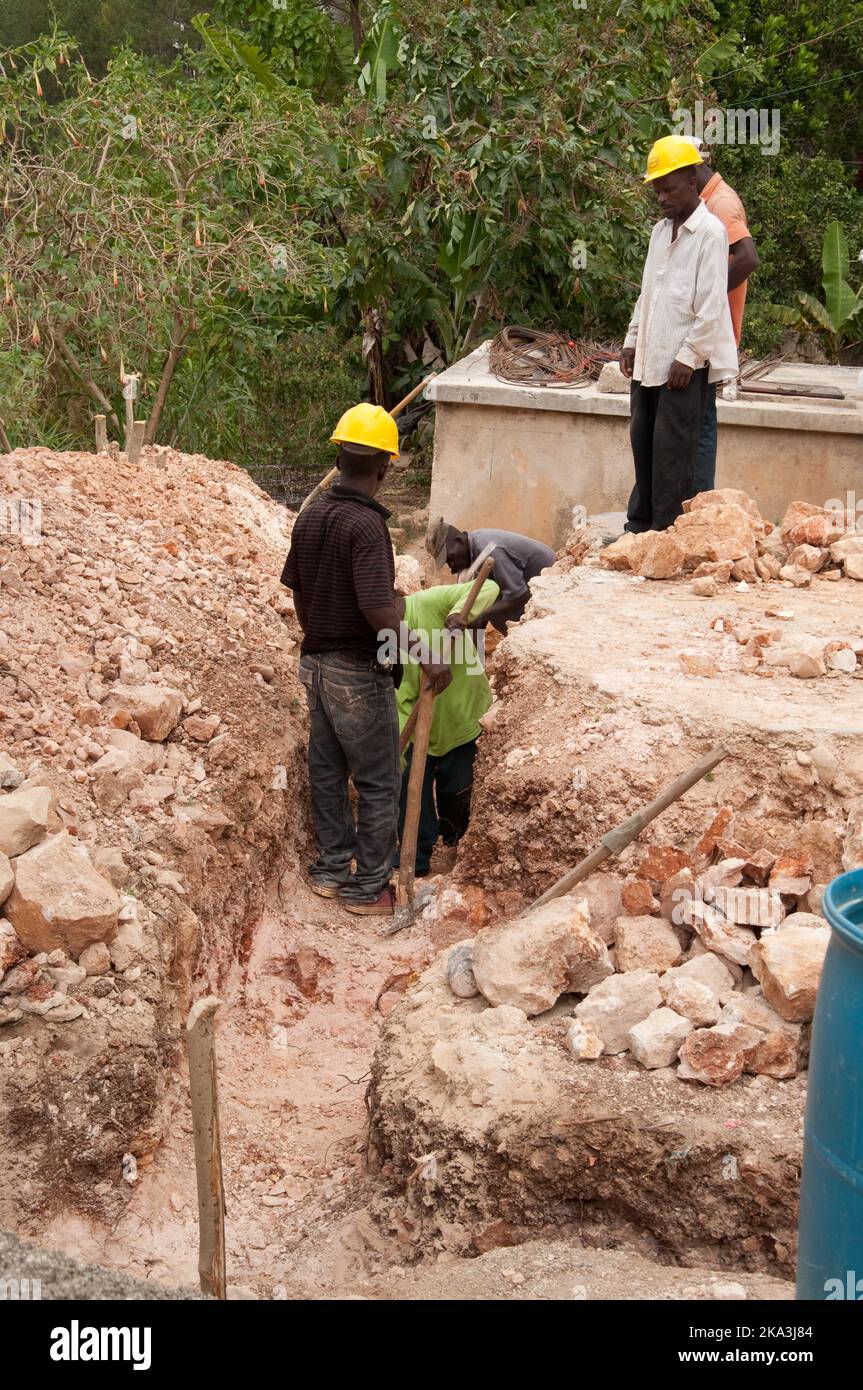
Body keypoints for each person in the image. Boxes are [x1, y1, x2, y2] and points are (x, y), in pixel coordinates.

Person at [281, 403, 450, 917]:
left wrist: (320, 636)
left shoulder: (311, 516)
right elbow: (376, 608)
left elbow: (299, 593)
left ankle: (333, 868)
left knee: (328, 770)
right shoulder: (366, 527)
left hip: (316, 664)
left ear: (339, 456)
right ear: (384, 467)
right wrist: (424, 655)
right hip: (357, 669)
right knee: (379, 780)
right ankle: (370, 885)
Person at [619, 134, 738, 533]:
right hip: (650, 361)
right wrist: (631, 340)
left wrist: (689, 356)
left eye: (668, 189)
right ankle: (640, 525)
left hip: (682, 368)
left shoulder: (710, 233)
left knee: (674, 452)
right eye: (657, 191)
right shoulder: (659, 232)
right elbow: (647, 294)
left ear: (692, 181)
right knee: (644, 445)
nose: (662, 198)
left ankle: (666, 532)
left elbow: (711, 306)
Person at [395, 576, 499, 878]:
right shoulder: (386, 638)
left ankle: (458, 850)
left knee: (457, 792)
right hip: (420, 731)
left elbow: (488, 587)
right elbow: (400, 699)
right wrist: (400, 748)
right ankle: (417, 859)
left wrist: (459, 614)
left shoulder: (431, 601)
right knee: (411, 794)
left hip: (461, 718)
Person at [684, 137, 759, 492]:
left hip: (711, 332)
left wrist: (707, 301)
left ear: (692, 172)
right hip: (705, 329)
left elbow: (747, 258)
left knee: (701, 423)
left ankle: (699, 501)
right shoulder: (707, 201)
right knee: (696, 420)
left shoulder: (721, 204)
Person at [426, 520, 554, 633]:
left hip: (549, 580)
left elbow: (517, 594)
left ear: (459, 541)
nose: (452, 568)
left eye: (450, 559)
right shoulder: (472, 550)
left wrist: (480, 616)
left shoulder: (489, 549)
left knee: (498, 615)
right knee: (487, 609)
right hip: (525, 582)